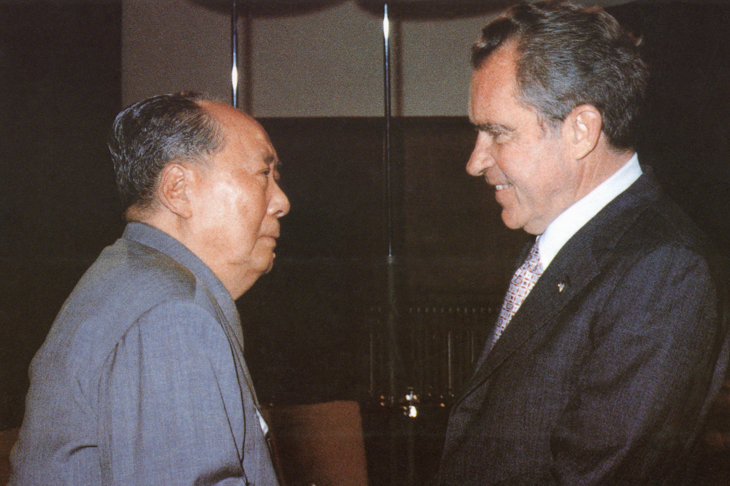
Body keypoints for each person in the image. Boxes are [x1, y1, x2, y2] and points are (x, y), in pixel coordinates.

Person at [438, 2, 729, 485]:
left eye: (498, 133)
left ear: (580, 131)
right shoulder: (565, 240)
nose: (475, 161)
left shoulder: (664, 271)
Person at [9, 92, 289, 485]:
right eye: (263, 174)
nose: (281, 202)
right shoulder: (171, 316)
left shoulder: (136, 280)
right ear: (178, 189)